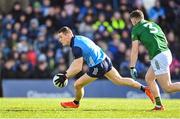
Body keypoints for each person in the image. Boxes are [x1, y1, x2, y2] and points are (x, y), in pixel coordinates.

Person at [55, 26, 154, 108]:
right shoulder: (79, 38)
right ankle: (144, 88)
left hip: (98, 66)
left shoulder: (76, 47)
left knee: (77, 85)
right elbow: (75, 62)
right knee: (119, 80)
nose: (60, 40)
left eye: (61, 37)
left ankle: (75, 103)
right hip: (105, 59)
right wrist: (66, 74)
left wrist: (65, 76)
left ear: (68, 34)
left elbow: (77, 67)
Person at [129, 9, 180, 111]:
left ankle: (159, 106)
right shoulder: (153, 24)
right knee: (149, 78)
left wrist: (132, 66)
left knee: (167, 87)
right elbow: (165, 40)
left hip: (159, 56)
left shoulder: (136, 29)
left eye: (131, 21)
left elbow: (135, 51)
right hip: (166, 52)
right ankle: (159, 105)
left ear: (134, 20)